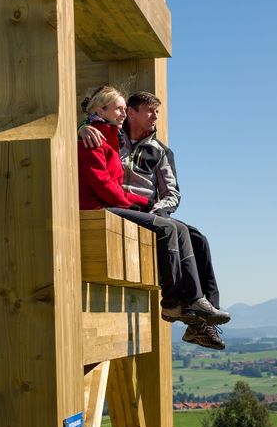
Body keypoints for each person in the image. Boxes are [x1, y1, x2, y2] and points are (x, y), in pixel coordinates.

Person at [77, 86, 228, 350]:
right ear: (132, 113)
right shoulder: (112, 136)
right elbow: (88, 135)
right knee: (171, 230)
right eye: (150, 112)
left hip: (146, 209)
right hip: (115, 205)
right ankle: (182, 305)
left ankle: (205, 317)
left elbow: (172, 193)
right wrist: (82, 127)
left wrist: (156, 210)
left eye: (157, 112)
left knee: (199, 239)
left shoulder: (160, 151)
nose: (155, 117)